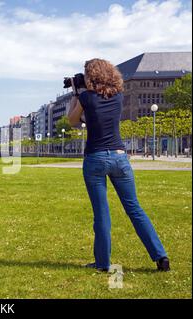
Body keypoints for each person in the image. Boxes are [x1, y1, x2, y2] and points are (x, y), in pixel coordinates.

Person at [67, 58, 170, 272]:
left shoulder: (86, 97)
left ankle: (103, 263)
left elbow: (72, 120)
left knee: (102, 212)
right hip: (120, 157)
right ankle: (161, 256)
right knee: (134, 208)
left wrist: (76, 94)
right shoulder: (119, 96)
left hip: (95, 158)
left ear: (91, 77)